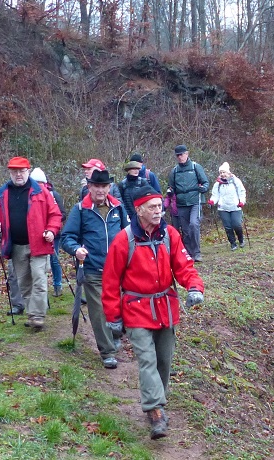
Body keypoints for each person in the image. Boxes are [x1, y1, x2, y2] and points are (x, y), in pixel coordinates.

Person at [102, 190, 204, 440]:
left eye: (160, 206)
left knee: (164, 361)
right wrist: (113, 317)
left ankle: (158, 400)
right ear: (139, 210)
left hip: (165, 307)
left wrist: (194, 287)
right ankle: (155, 411)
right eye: (152, 207)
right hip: (136, 308)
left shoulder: (170, 235)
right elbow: (110, 280)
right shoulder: (124, 240)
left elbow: (184, 266)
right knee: (147, 360)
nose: (159, 210)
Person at [60, 169, 130, 369]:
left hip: (120, 269)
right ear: (89, 187)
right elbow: (67, 238)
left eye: (104, 186)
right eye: (96, 186)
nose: (100, 190)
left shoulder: (118, 208)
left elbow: (130, 234)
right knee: (99, 311)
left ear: (110, 187)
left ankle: (117, 333)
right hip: (93, 270)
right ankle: (107, 352)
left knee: (122, 306)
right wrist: (76, 250)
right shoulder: (80, 209)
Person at [0, 156, 63, 331]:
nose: (18, 175)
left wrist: (51, 231)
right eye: (14, 172)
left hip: (39, 244)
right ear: (9, 173)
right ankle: (32, 313)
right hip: (16, 246)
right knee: (24, 282)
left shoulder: (41, 191)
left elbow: (56, 215)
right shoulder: (1, 194)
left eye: (21, 171)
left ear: (28, 171)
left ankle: (38, 316)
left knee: (39, 279)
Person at [167, 145, 209, 262]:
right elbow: (171, 187)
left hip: (195, 201)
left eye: (182, 154)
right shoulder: (174, 171)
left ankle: (197, 253)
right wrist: (170, 191)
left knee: (194, 225)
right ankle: (189, 254)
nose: (180, 157)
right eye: (178, 155)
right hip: (181, 203)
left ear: (187, 154)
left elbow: (205, 182)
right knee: (185, 230)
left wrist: (203, 188)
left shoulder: (196, 167)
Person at [31, 167, 67, 297]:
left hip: (54, 234)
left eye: (40, 183)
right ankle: (41, 289)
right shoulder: (29, 196)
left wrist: (51, 225)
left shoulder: (54, 195)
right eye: (35, 182)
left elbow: (62, 214)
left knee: (54, 259)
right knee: (39, 263)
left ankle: (58, 285)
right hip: (37, 235)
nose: (38, 186)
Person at [208, 162, 246, 250]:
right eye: (220, 173)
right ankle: (233, 243)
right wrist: (212, 201)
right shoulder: (218, 184)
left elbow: (242, 192)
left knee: (237, 224)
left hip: (235, 206)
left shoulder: (236, 181)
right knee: (228, 227)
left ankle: (241, 240)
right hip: (223, 208)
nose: (222, 174)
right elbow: (215, 195)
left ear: (228, 173)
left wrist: (242, 201)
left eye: (224, 172)